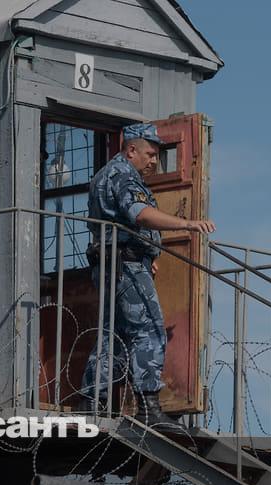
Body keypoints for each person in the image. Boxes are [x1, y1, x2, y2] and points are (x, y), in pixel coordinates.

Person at [82, 122, 216, 427]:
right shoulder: (124, 175)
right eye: (150, 154)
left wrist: (148, 253)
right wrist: (187, 224)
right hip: (125, 266)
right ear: (131, 150)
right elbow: (139, 214)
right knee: (150, 329)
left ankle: (93, 400)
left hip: (114, 263)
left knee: (113, 335)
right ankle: (147, 405)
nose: (154, 161)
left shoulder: (108, 174)